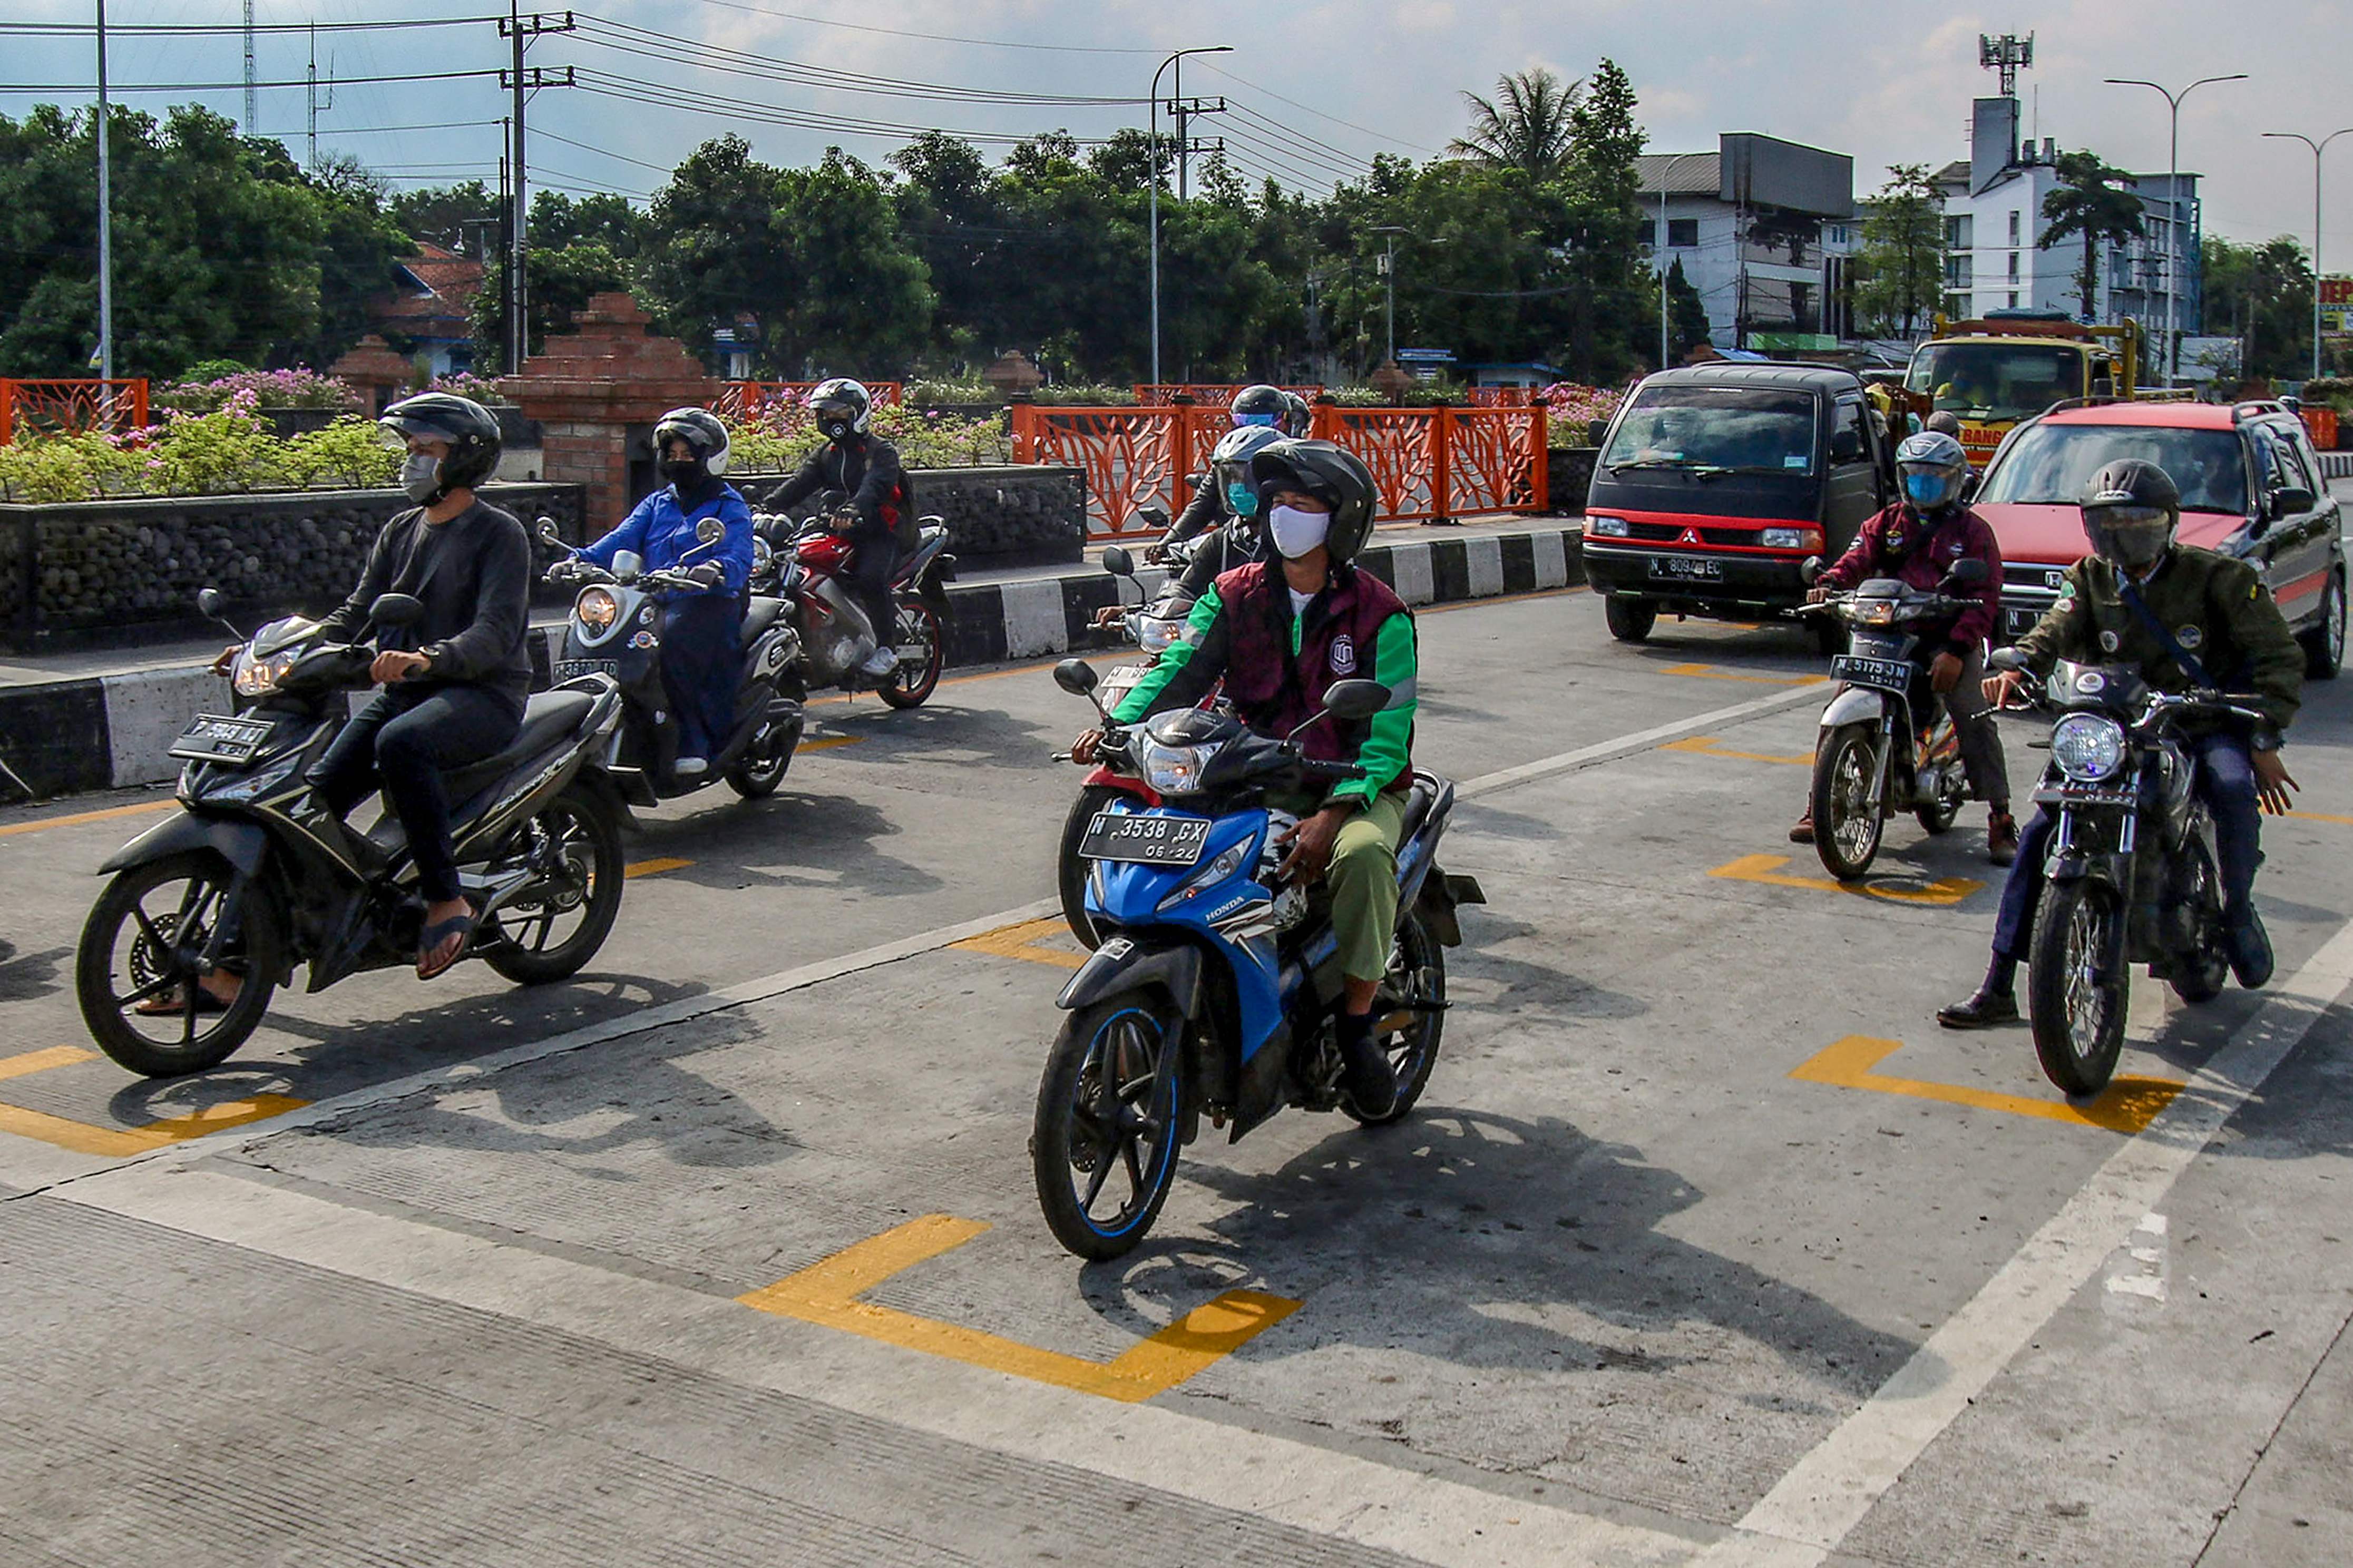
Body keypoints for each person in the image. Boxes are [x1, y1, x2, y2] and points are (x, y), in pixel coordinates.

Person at [1070, 439, 1419, 1116]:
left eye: (1304, 505)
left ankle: (1353, 1023)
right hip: (1250, 771)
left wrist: (1338, 810)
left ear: (1340, 519)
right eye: (1279, 503)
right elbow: (1178, 672)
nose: (1287, 516)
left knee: (1366, 857)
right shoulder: (1233, 594)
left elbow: (1387, 736)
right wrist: (1122, 728)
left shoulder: (1382, 615)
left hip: (1349, 785)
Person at [1939, 459, 2304, 1028]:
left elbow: (2279, 657)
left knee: (2233, 790)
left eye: (2139, 521)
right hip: (2112, 728)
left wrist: (2261, 731)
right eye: (2110, 523)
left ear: (2168, 524)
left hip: (2198, 723)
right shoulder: (2090, 577)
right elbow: (2053, 629)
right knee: (2040, 834)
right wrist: (2020, 666)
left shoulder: (2220, 577)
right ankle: (1998, 983)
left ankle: (2236, 912)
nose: (2124, 534)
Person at [313, 393, 532, 981]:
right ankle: (236, 961)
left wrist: (427, 658)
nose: (411, 461)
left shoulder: (498, 533)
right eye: (409, 449)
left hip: (484, 695)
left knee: (400, 745)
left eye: (425, 450)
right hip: (413, 690)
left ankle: (445, 896)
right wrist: (286, 645)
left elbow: (495, 631)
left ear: (461, 459)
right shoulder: (401, 530)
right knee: (314, 797)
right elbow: (355, 613)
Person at [1791, 429, 2017, 864]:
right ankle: (1820, 802)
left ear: (1955, 480)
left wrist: (1956, 649)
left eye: (1935, 475)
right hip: (1887, 633)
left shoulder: (1973, 532)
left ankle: (2000, 817)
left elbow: (1984, 597)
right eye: (1916, 475)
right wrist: (1829, 584)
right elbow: (1855, 559)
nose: (1924, 483)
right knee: (1837, 707)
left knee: (1972, 715)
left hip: (1943, 639)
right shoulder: (1887, 521)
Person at [569, 407, 754, 777]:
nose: (679, 462)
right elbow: (620, 538)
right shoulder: (659, 502)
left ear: (709, 460)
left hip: (709, 600)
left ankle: (693, 740)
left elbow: (738, 555)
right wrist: (577, 559)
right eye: (672, 455)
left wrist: (715, 568)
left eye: (688, 455)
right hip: (655, 596)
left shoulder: (727, 505)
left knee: (671, 647)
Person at [764, 378, 907, 678]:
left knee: (869, 578)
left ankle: (887, 649)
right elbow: (800, 482)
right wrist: (768, 506)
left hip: (881, 532)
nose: (832, 419)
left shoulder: (880, 452)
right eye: (826, 413)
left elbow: (875, 487)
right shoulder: (827, 454)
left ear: (858, 413)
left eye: (839, 412)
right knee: (801, 565)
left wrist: (855, 509)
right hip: (838, 530)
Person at [1146, 384, 1292, 564]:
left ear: (1285, 423)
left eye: (1262, 422)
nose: (1252, 429)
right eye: (1244, 422)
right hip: (1236, 544)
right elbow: (1202, 506)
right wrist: (1167, 543)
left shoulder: (1294, 463)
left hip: (1281, 549)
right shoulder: (1226, 463)